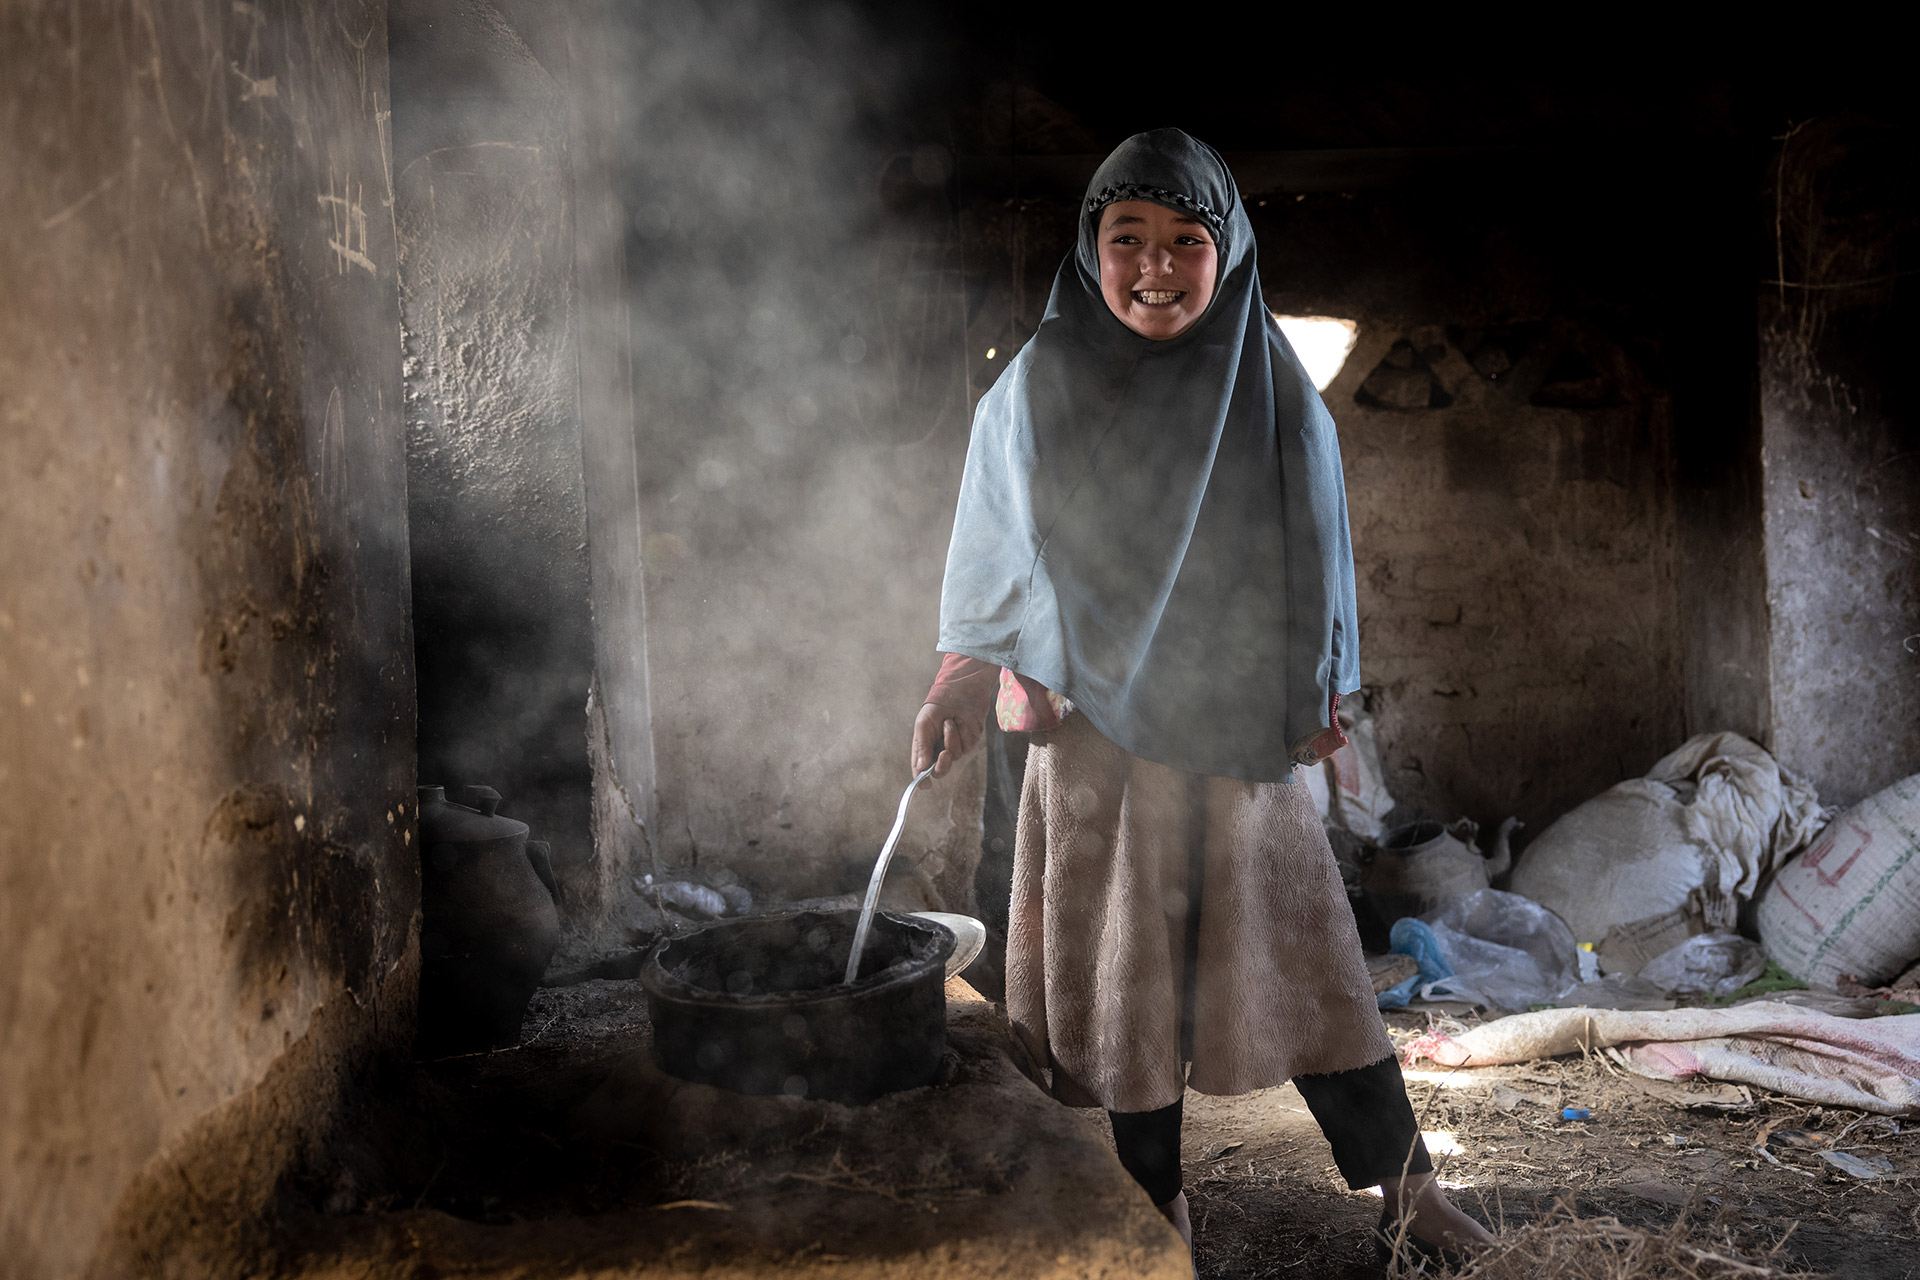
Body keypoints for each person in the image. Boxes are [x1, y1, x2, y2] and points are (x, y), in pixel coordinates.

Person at [906, 128, 1494, 1264]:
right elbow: (992, 554)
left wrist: (1319, 695)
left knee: (1308, 959)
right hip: (1088, 740)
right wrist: (959, 680)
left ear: (1230, 255)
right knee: (1125, 977)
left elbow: (1318, 559)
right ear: (1091, 249)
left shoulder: (1272, 390)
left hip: (1229, 731)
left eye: (1187, 240)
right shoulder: (1034, 388)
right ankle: (1153, 1201)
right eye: (1127, 237)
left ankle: (1409, 1187)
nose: (1155, 266)